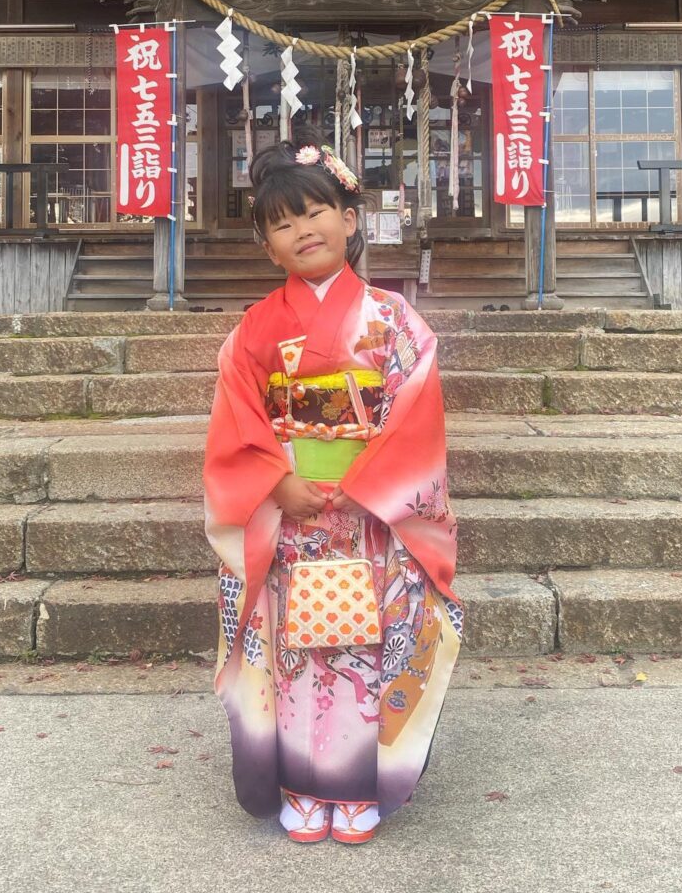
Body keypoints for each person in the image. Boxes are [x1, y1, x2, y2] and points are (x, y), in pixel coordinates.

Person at [203, 127, 462, 845]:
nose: (300, 230)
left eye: (314, 213)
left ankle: (355, 786)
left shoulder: (395, 321)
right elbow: (236, 419)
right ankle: (297, 782)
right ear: (267, 244)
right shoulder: (255, 331)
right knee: (292, 647)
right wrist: (277, 479)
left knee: (363, 644)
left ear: (351, 219)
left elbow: (416, 412)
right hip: (289, 519)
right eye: (281, 223)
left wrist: (367, 478)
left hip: (370, 516)